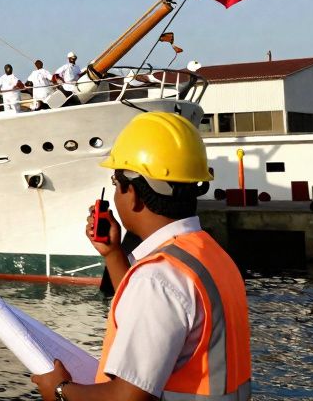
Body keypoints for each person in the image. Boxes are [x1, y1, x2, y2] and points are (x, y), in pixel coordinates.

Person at [30, 112, 251, 401]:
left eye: (115, 181)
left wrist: (60, 391)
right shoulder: (210, 257)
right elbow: (161, 315)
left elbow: (128, 397)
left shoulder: (157, 278)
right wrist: (113, 254)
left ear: (131, 193)